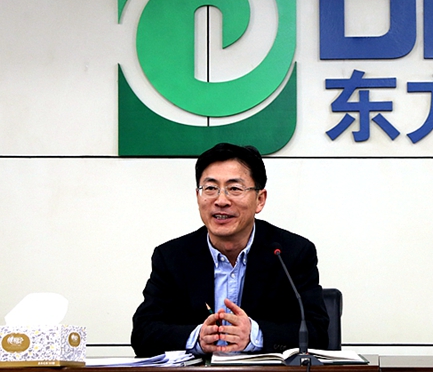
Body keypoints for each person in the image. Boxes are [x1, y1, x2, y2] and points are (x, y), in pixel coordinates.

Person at [131, 143, 329, 357]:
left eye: (234, 189)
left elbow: (317, 334)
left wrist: (255, 335)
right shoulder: (172, 257)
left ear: (260, 200)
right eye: (210, 188)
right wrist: (197, 338)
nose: (221, 201)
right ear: (198, 196)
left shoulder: (291, 253)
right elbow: (143, 333)